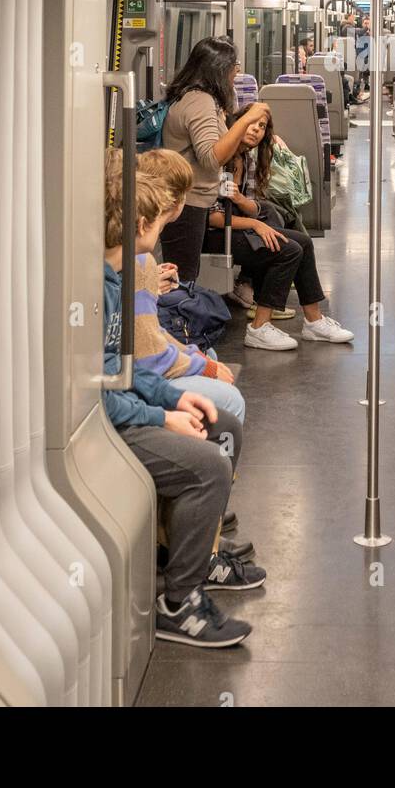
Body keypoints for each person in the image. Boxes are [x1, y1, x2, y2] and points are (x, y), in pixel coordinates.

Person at [101, 159, 265, 648]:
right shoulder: (106, 287)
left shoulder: (118, 279)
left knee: (222, 422)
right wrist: (161, 415)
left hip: (132, 402)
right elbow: (97, 386)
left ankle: (198, 556)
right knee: (210, 465)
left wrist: (176, 397)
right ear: (142, 224)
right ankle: (180, 601)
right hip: (111, 418)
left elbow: (123, 366)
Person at [203, 102, 355, 351]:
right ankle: (259, 328)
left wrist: (242, 202)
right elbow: (213, 217)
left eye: (261, 127)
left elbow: (253, 205)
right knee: (288, 250)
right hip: (217, 235)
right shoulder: (222, 158)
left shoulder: (246, 159)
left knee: (303, 243)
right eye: (251, 123)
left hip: (238, 228)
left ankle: (314, 320)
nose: (255, 130)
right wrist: (255, 224)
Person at [132, 148, 246, 422]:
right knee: (231, 399)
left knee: (209, 352)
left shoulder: (140, 256)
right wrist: (203, 366)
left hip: (142, 358)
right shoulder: (139, 257)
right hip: (137, 375)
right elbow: (148, 352)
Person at [158, 37, 271, 282]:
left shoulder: (196, 98)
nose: (236, 72)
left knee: (185, 275)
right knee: (182, 279)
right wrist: (246, 119)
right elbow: (211, 158)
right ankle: (180, 319)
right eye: (234, 66)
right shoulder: (199, 101)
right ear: (220, 69)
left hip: (192, 201)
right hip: (187, 203)